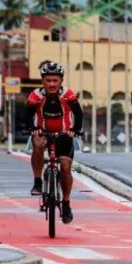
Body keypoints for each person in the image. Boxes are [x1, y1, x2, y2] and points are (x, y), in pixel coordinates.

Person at [26, 60, 83, 224]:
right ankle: (37, 181)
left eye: (55, 80)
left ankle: (66, 203)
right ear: (42, 80)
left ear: (61, 81)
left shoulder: (68, 95)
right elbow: (28, 115)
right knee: (37, 145)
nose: (51, 84)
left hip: (64, 134)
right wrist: (32, 128)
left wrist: (75, 130)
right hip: (43, 132)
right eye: (48, 80)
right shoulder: (36, 96)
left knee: (65, 166)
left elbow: (78, 114)